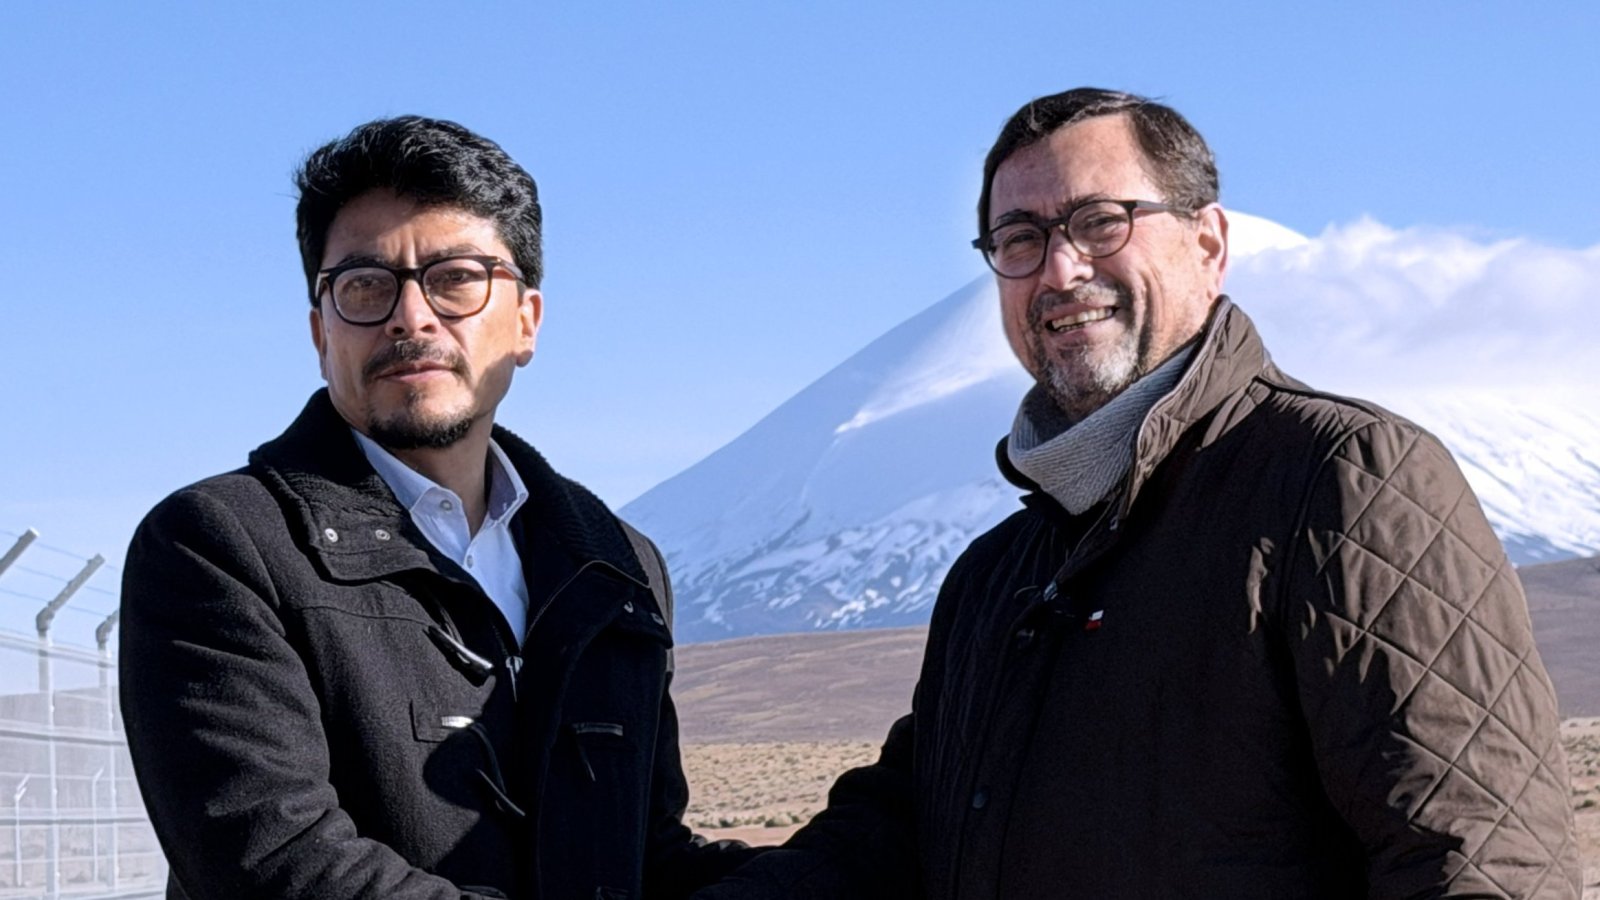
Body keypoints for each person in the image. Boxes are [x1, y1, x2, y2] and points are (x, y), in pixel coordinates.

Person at [694, 88, 1581, 898]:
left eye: (1100, 222)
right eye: (1020, 239)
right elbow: (894, 834)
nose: (1059, 270)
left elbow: (1476, 856)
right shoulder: (996, 577)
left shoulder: (1339, 480)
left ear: (1208, 244)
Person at [119, 116, 755, 900]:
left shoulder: (616, 568)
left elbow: (646, 858)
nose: (411, 317)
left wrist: (851, 854)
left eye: (456, 278)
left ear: (526, 322)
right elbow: (276, 864)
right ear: (321, 333)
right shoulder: (221, 546)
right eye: (365, 285)